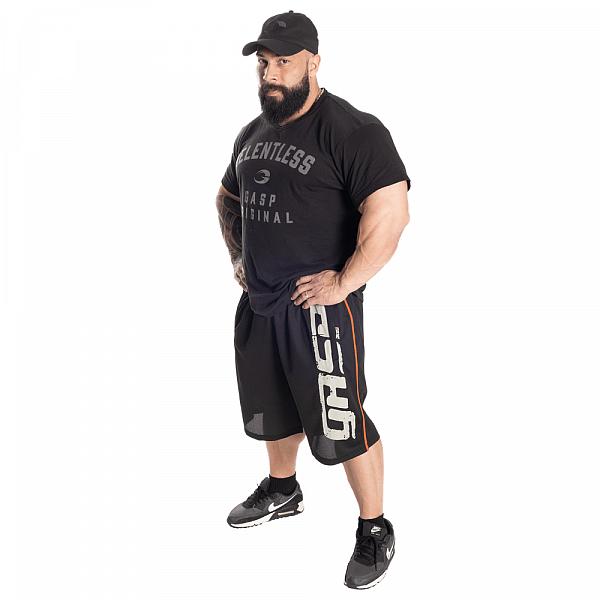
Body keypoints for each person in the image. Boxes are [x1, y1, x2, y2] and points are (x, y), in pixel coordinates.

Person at [215, 10, 411, 589]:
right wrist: (239, 258)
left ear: (314, 62)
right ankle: (283, 489)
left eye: (284, 61)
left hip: (321, 310)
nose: (271, 74)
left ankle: (374, 526)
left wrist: (343, 284)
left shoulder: (354, 131)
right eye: (264, 63)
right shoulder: (252, 133)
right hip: (262, 301)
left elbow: (391, 213)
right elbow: (227, 198)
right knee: (270, 405)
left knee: (340, 417)